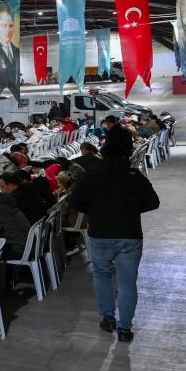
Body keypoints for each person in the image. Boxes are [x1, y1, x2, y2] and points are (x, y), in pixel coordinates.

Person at [67, 126, 160, 342]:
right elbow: (153, 202)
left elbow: (75, 202)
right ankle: (125, 328)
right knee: (128, 282)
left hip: (100, 233)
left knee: (102, 275)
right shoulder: (133, 175)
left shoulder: (92, 174)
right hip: (129, 233)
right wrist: (130, 209)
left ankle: (107, 317)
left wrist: (96, 209)